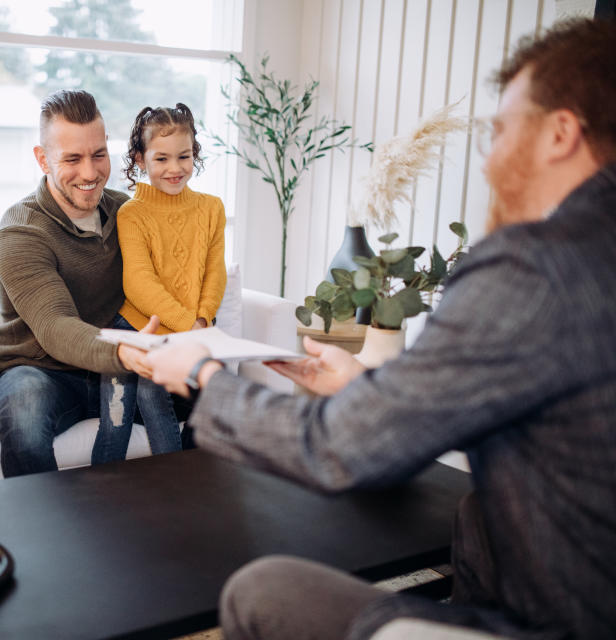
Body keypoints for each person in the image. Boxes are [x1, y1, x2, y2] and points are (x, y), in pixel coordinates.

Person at [144, 18, 616, 640]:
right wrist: (368, 382)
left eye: (500, 132)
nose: (490, 158)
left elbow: (338, 450)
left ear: (558, 134)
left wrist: (202, 374)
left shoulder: (534, 267)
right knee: (475, 511)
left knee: (264, 589)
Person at [0, 89, 158, 477]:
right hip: (43, 369)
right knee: (24, 412)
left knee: (212, 395)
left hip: (120, 368)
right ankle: (40, 536)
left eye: (98, 154)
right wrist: (124, 353)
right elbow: (56, 327)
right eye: (72, 159)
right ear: (42, 158)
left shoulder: (127, 213)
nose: (89, 172)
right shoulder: (20, 231)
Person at [92, 103, 226, 465]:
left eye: (183, 156)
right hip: (137, 327)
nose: (174, 168)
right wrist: (188, 328)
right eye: (162, 158)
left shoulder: (211, 208)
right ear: (140, 158)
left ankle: (186, 485)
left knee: (213, 395)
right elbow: (138, 283)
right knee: (121, 417)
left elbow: (215, 271)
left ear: (194, 154)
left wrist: (202, 322)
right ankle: (101, 491)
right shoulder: (132, 213)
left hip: (193, 328)